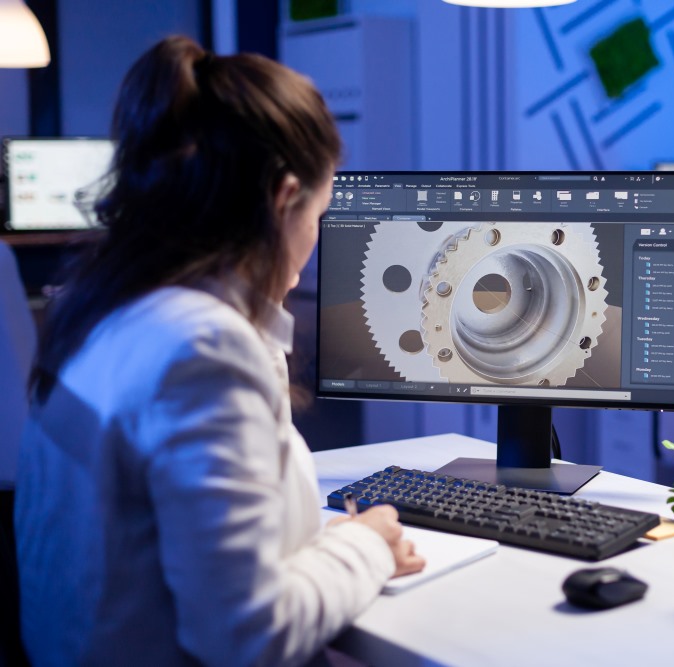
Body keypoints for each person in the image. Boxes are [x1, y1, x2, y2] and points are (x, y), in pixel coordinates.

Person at [15, 35, 424, 667]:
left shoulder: (106, 309)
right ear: (285, 199)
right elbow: (245, 635)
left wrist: (323, 547)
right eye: (322, 210)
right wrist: (368, 543)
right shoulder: (201, 350)